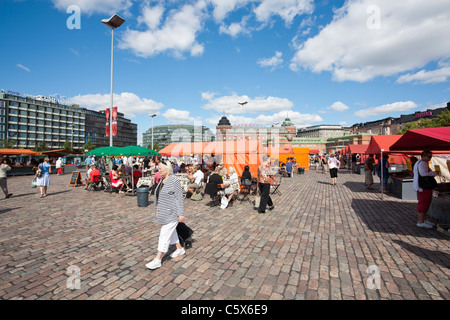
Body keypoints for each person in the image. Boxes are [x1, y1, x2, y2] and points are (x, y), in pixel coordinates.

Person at [146, 162, 185, 270]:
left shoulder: (174, 180)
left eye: (161, 169)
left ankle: (158, 259)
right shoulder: (161, 181)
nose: (159, 171)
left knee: (164, 234)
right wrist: (157, 210)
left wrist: (181, 213)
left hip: (172, 213)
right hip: (164, 212)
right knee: (171, 232)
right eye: (158, 169)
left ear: (167, 169)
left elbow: (179, 198)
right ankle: (179, 248)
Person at [413, 150, 437, 229]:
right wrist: (433, 173)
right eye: (429, 156)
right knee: (424, 203)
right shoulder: (422, 163)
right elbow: (423, 174)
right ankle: (421, 221)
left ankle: (423, 220)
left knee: (425, 203)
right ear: (423, 156)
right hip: (424, 186)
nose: (430, 158)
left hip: (422, 186)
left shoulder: (420, 162)